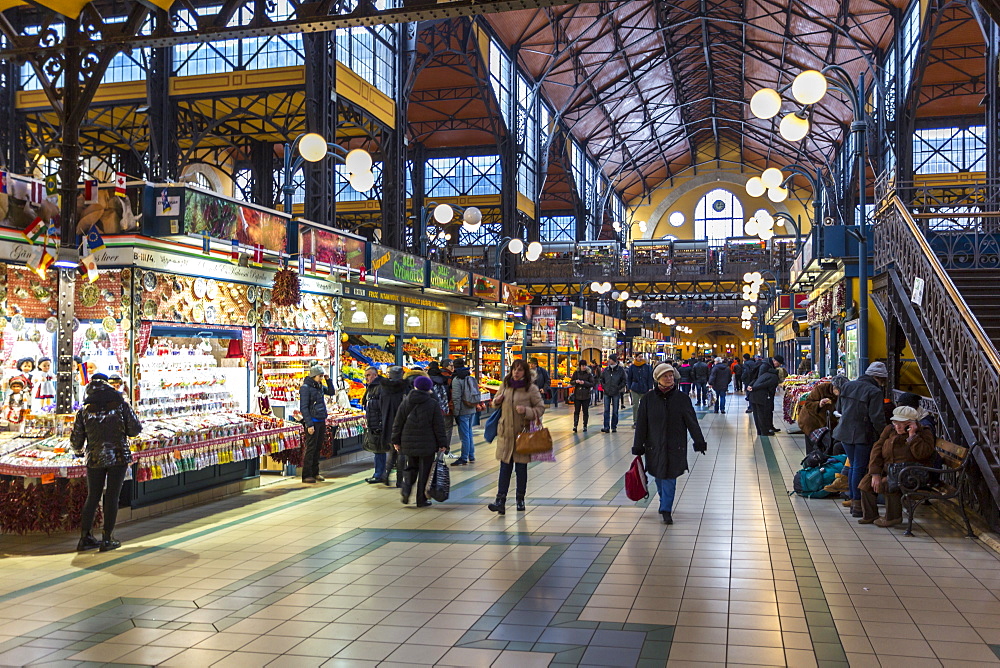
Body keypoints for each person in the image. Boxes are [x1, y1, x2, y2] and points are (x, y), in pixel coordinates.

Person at [71, 373, 142, 552]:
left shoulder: (84, 411)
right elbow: (135, 430)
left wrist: (80, 450)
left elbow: (76, 441)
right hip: (118, 456)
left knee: (93, 496)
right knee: (112, 496)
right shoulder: (120, 406)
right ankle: (107, 538)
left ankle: (85, 537)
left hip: (94, 458)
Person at [632, 364, 707, 525]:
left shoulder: (681, 399)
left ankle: (666, 509)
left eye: (671, 376)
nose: (669, 379)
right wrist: (638, 445)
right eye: (665, 376)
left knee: (669, 477)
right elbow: (642, 424)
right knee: (659, 475)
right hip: (654, 445)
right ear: (658, 379)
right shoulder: (648, 399)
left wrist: (699, 441)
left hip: (675, 445)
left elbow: (692, 422)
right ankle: (663, 500)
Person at [858, 406, 936, 527]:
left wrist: (912, 437)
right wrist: (875, 473)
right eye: (895, 422)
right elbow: (877, 449)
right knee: (866, 483)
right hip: (889, 469)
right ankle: (870, 515)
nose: (897, 426)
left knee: (889, 483)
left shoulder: (924, 432)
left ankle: (893, 518)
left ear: (911, 424)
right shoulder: (889, 430)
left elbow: (923, 454)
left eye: (902, 423)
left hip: (912, 474)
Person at [832, 361, 889, 518]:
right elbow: (876, 417)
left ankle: (853, 500)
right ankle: (858, 503)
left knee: (853, 465)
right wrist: (884, 433)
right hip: (863, 434)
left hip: (844, 432)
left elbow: (839, 409)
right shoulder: (874, 391)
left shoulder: (848, 386)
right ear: (879, 378)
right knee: (859, 467)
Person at [488, 359, 545, 515]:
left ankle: (520, 499)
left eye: (519, 370)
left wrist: (526, 411)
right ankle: (500, 500)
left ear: (525, 372)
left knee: (521, 469)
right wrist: (496, 401)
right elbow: (495, 404)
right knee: (504, 468)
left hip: (522, 434)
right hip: (506, 434)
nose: (516, 372)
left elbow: (540, 408)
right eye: (514, 369)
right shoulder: (505, 385)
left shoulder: (531, 389)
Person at [392, 375, 449, 507]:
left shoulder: (406, 401)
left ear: (415, 386)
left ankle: (406, 489)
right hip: (427, 443)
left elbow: (398, 422)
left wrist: (396, 440)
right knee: (425, 471)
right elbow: (439, 426)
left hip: (408, 441)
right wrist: (443, 443)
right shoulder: (432, 403)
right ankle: (421, 499)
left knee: (411, 467)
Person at [299, 365, 334, 483]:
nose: (321, 378)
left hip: (321, 420)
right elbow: (304, 408)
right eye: (320, 376)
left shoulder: (318, 386)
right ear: (313, 376)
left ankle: (315, 472)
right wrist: (309, 424)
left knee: (318, 448)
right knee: (311, 448)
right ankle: (306, 474)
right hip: (312, 422)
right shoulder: (306, 388)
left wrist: (329, 380)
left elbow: (331, 392)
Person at [796, 375, 848, 450]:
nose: (841, 393)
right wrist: (819, 404)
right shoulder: (820, 389)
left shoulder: (843, 393)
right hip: (811, 421)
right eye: (839, 390)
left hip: (827, 423)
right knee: (813, 446)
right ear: (834, 387)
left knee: (826, 445)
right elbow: (808, 404)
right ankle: (812, 459)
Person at [362, 367, 392, 484]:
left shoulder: (379, 388)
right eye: (365, 376)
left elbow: (382, 407)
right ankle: (379, 473)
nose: (366, 378)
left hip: (378, 424)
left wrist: (380, 423)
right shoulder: (372, 387)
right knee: (378, 449)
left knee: (379, 449)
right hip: (374, 423)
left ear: (375, 375)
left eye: (368, 375)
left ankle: (379, 474)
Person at [381, 366, 408, 486]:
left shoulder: (383, 388)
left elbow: (380, 405)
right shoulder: (405, 388)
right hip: (401, 423)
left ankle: (386, 475)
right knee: (401, 452)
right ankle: (399, 479)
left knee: (392, 450)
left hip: (387, 422)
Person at [451, 358, 479, 465]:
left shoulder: (457, 380)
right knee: (469, 433)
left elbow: (456, 398)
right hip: (471, 408)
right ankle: (471, 455)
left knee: (464, 436)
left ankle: (464, 457)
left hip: (463, 411)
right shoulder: (469, 377)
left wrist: (456, 412)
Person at [747, 357, 780, 436]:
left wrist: (751, 387)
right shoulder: (774, 377)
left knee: (757, 414)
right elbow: (765, 385)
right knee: (762, 414)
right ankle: (764, 432)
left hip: (753, 396)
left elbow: (757, 381)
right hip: (760, 396)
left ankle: (760, 431)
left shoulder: (765, 373)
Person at [427, 360, 455, 447]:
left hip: (431, 409)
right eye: (451, 365)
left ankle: (434, 450)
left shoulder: (427, 381)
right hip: (445, 408)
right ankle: (443, 451)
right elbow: (450, 393)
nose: (452, 367)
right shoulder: (446, 378)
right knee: (446, 429)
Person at [600, 354, 628, 433]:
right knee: (606, 410)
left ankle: (614, 426)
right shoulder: (606, 370)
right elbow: (601, 379)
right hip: (607, 392)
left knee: (615, 411)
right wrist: (604, 386)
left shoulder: (620, 370)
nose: (609, 361)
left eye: (610, 359)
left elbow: (624, 380)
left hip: (616, 393)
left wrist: (618, 388)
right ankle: (606, 426)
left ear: (614, 360)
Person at [626, 354, 654, 426]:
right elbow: (629, 378)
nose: (641, 358)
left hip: (645, 388)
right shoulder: (632, 367)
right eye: (639, 357)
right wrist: (629, 387)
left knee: (645, 405)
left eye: (642, 357)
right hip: (635, 388)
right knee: (635, 405)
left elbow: (650, 378)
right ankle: (636, 421)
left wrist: (650, 387)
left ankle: (645, 421)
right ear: (636, 358)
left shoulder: (647, 367)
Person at [570, 359, 595, 432]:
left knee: (585, 411)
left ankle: (585, 425)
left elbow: (592, 383)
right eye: (582, 366)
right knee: (576, 411)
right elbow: (571, 382)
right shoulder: (576, 373)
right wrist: (576, 381)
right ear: (580, 366)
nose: (584, 367)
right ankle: (575, 425)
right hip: (577, 394)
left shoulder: (588, 374)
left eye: (585, 366)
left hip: (586, 395)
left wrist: (584, 383)